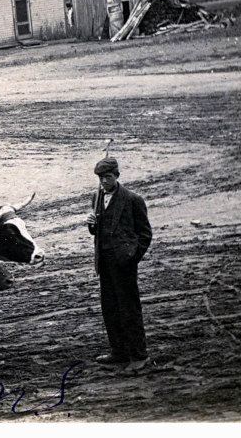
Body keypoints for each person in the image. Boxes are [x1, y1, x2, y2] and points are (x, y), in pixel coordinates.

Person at [86, 157, 153, 373]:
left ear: (117, 176)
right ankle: (119, 352)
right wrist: (92, 226)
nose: (104, 181)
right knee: (110, 308)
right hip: (104, 262)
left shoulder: (133, 199)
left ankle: (139, 356)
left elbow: (145, 234)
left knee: (129, 309)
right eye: (101, 178)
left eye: (108, 177)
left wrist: (132, 257)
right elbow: (98, 230)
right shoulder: (96, 197)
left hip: (124, 263)